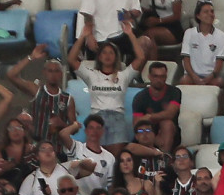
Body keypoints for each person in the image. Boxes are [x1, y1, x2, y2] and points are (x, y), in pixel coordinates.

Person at [69, 23, 147, 152]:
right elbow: (71, 59)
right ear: (99, 56)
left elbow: (141, 57)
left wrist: (130, 35)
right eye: (104, 52)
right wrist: (83, 36)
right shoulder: (91, 75)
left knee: (116, 156)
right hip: (96, 118)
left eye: (111, 53)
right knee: (96, 155)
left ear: (116, 57)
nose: (107, 55)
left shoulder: (124, 76)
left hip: (117, 117)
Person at [132, 62, 181, 154]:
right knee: (143, 129)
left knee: (167, 123)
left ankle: (164, 157)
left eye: (162, 76)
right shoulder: (140, 97)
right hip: (148, 133)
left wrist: (149, 117)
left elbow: (170, 114)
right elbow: (136, 123)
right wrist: (152, 136)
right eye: (155, 76)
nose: (159, 80)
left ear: (166, 77)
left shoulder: (174, 92)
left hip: (171, 134)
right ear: (149, 77)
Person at [180, 0, 224, 86]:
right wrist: (194, 77)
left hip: (211, 77)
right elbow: (186, 59)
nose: (210, 14)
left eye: (212, 11)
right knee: (184, 81)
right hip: (192, 76)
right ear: (198, 16)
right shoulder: (189, 33)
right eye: (206, 12)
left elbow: (220, 61)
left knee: (219, 82)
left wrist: (209, 78)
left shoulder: (221, 35)